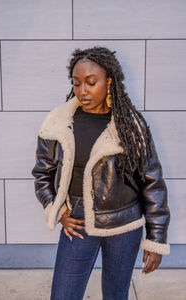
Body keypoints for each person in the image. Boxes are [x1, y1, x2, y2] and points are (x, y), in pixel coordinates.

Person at [31, 46, 170, 300]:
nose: (83, 90)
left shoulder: (131, 126)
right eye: (77, 83)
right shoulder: (58, 124)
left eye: (91, 82)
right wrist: (59, 211)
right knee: (63, 295)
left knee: (116, 295)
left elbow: (152, 183)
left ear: (109, 82)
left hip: (125, 225)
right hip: (79, 221)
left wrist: (156, 238)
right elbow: (42, 174)